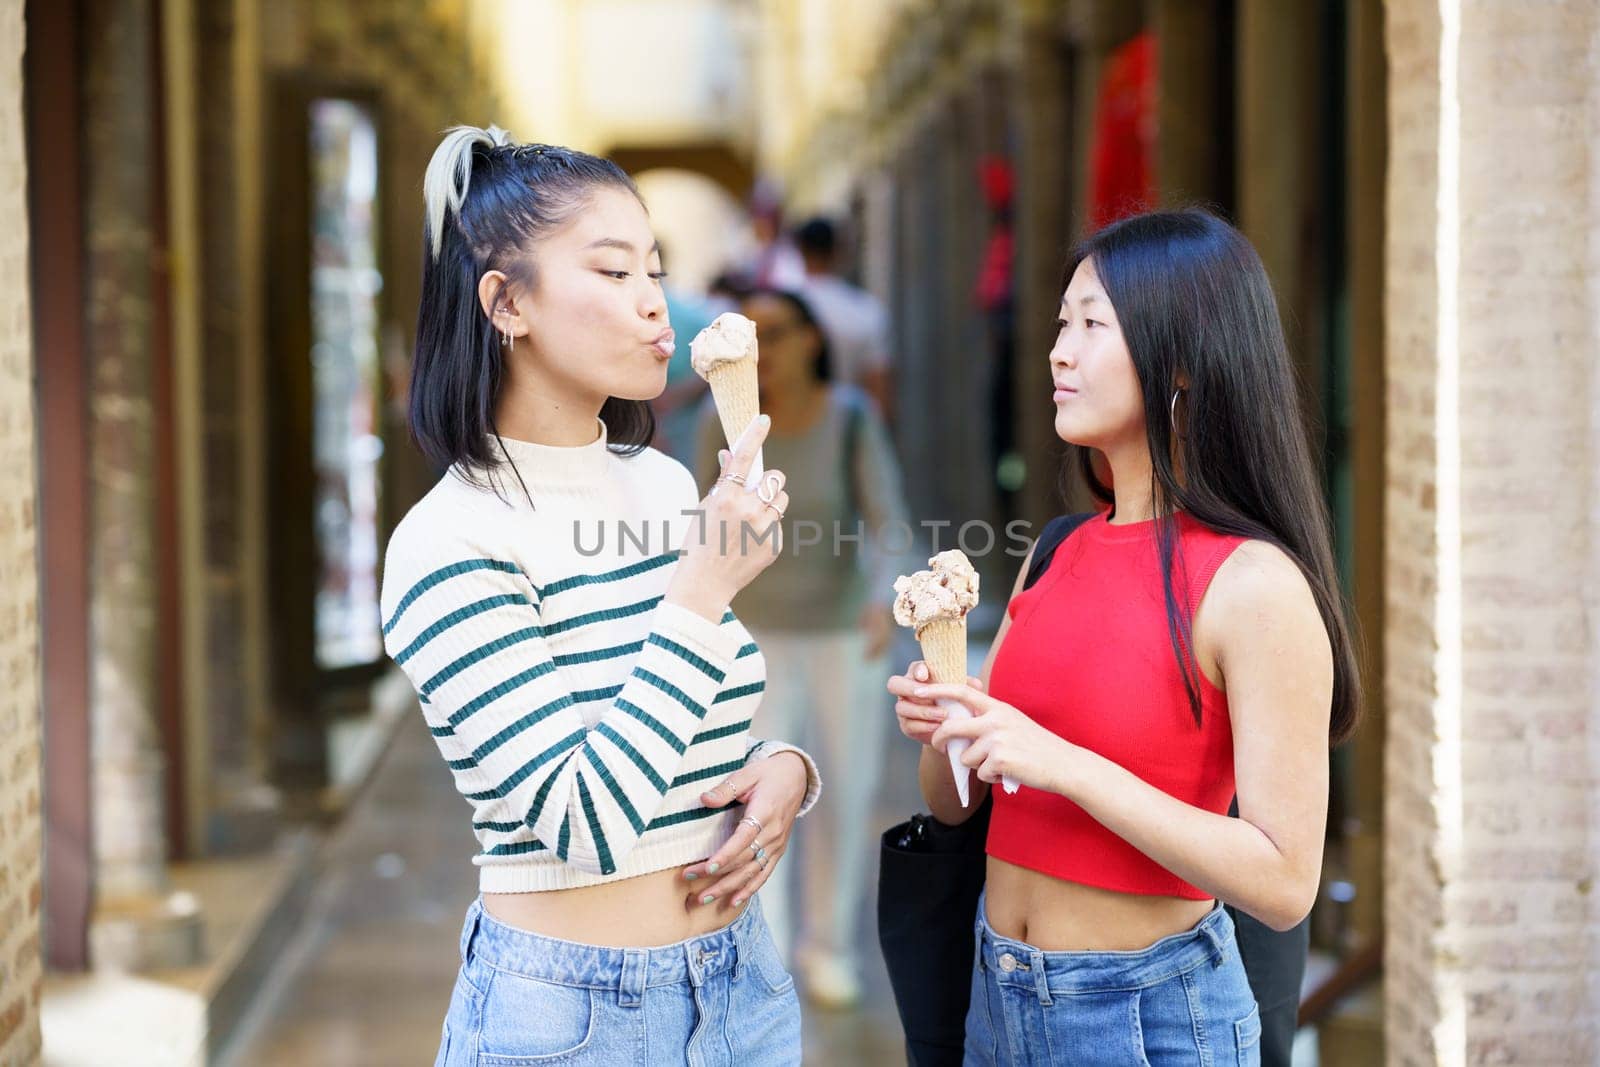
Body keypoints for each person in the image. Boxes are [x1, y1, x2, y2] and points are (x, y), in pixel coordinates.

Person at [383, 126, 823, 1066]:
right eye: (615, 273)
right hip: (572, 1017)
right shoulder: (446, 541)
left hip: (742, 987)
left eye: (656, 271)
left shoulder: (663, 484)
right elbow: (586, 818)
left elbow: (701, 722)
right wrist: (705, 585)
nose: (656, 305)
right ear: (506, 302)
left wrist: (782, 770)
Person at [888, 209, 1360, 1065]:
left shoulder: (1253, 584)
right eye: (1062, 323)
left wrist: (1058, 759)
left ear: (1181, 360)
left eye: (1092, 324)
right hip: (995, 997)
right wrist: (945, 725)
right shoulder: (1056, 547)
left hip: (1148, 1016)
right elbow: (959, 802)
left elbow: (1285, 881)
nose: (1058, 351)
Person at [696, 288, 912, 1007]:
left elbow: (887, 517)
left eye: (778, 333)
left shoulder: (849, 419)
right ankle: (767, 950)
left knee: (843, 793)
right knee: (751, 797)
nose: (765, 348)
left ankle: (829, 947)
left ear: (811, 341)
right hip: (748, 638)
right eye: (753, 334)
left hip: (843, 634)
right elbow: (688, 524)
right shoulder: (715, 425)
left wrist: (885, 594)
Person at [793, 217, 893, 417]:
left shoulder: (782, 310)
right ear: (838, 252)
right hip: (847, 429)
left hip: (790, 427)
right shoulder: (866, 310)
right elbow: (878, 390)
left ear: (799, 249)